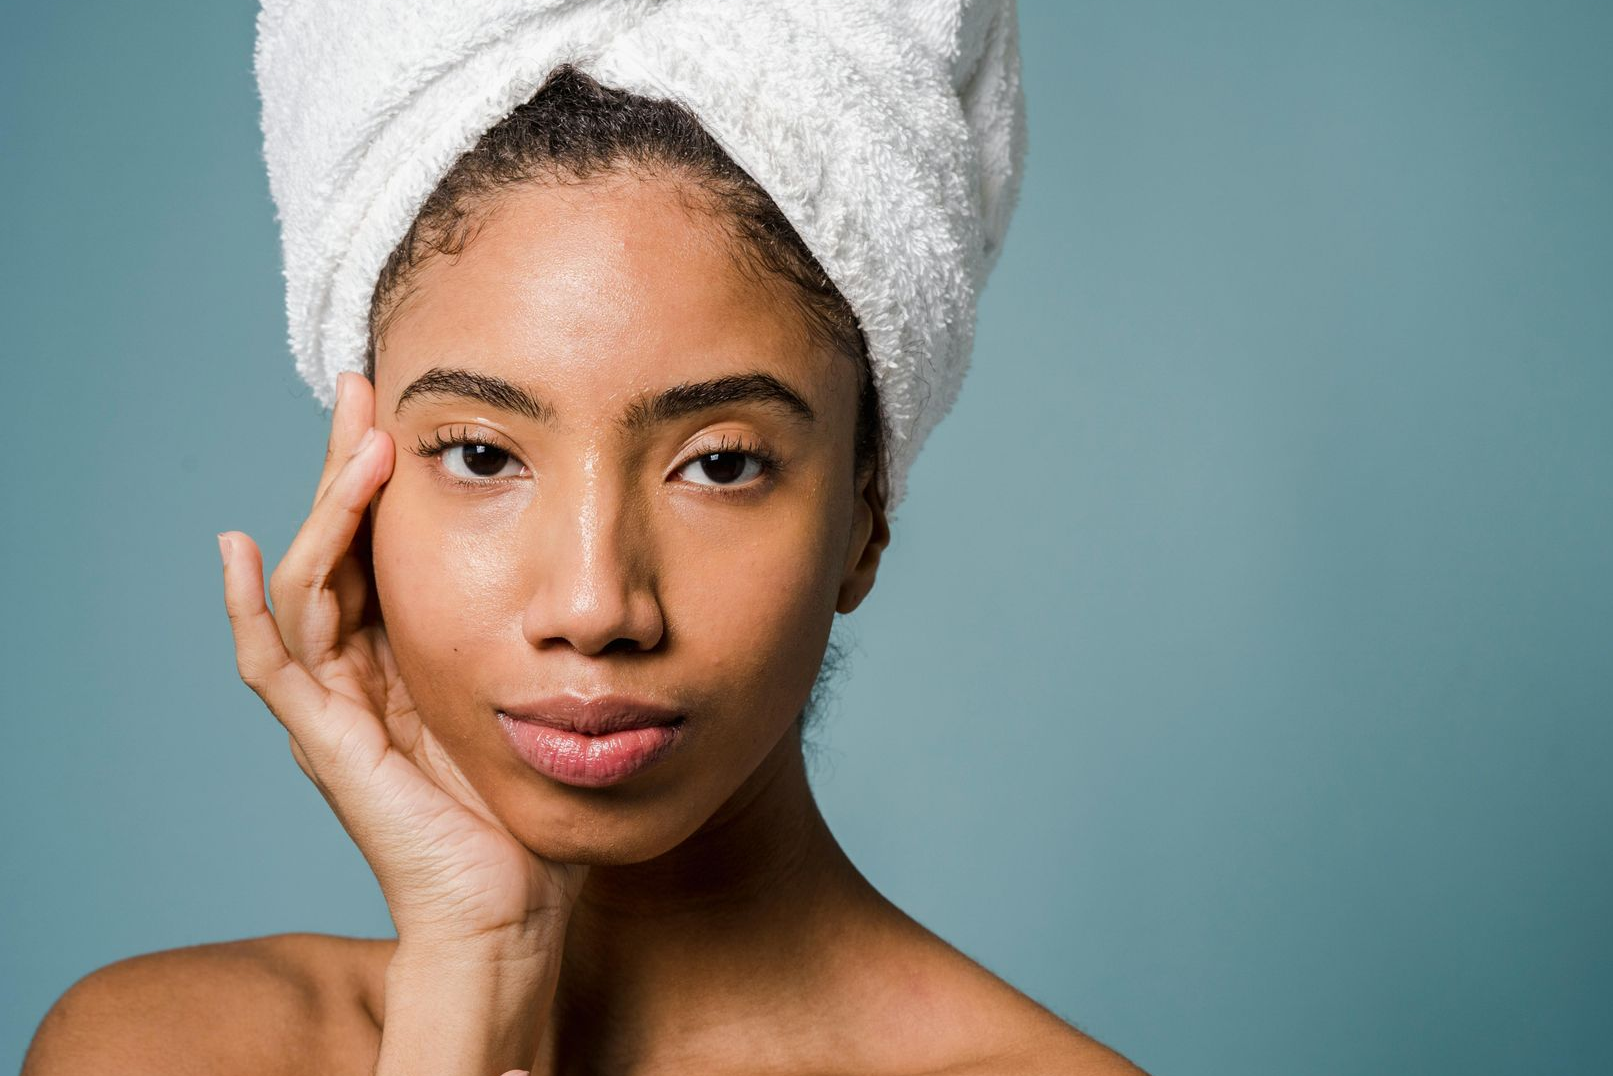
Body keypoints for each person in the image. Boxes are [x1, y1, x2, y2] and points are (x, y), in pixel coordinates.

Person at [23, 51, 1147, 1076]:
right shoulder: (155, 1047)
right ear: (357, 497)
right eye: (481, 454)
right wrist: (473, 968)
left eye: (719, 465)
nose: (595, 604)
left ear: (865, 517)